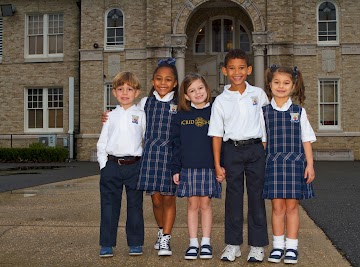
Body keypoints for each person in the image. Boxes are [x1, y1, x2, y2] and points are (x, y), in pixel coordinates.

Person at [102, 58, 179, 256]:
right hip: (143, 160)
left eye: (168, 79)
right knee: (153, 201)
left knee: (158, 201)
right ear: (153, 81)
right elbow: (113, 135)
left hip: (161, 160)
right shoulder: (145, 103)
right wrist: (103, 163)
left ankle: (158, 240)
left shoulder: (177, 105)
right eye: (159, 79)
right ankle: (158, 231)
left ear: (175, 83)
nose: (163, 83)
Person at [207, 49, 269, 263]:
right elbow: (216, 134)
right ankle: (233, 244)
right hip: (231, 151)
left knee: (256, 197)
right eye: (232, 68)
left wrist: (263, 146)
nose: (237, 72)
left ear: (249, 70)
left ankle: (257, 245)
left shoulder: (258, 94)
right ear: (224, 71)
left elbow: (266, 123)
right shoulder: (221, 101)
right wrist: (217, 163)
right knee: (233, 199)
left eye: (241, 68)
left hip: (255, 150)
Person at [263, 65, 316, 265]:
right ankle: (277, 246)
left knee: (292, 207)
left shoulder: (299, 112)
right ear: (270, 85)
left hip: (295, 165)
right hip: (274, 165)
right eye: (276, 82)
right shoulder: (264, 112)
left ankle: (291, 247)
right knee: (277, 208)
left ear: (293, 86)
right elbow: (263, 142)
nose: (281, 86)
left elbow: (306, 140)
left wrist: (309, 165)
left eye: (286, 83)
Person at [171, 73, 222, 260]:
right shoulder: (181, 115)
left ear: (206, 89)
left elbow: (221, 141)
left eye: (200, 88)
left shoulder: (215, 112)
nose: (197, 93)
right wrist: (175, 168)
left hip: (209, 166)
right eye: (192, 90)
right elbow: (176, 143)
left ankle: (206, 242)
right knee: (192, 204)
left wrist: (220, 166)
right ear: (186, 96)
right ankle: (193, 243)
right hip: (188, 167)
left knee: (206, 204)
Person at [97, 71, 146, 258]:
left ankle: (135, 243)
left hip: (134, 166)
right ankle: (107, 244)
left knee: (135, 206)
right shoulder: (110, 116)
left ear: (136, 92)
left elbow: (145, 139)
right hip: (112, 166)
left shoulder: (141, 115)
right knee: (109, 206)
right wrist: (104, 164)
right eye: (120, 89)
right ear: (114, 93)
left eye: (129, 89)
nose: (125, 93)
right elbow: (102, 142)